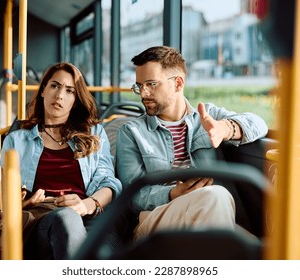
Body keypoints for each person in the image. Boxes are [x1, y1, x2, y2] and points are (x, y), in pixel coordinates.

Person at [115, 46, 268, 242]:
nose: (143, 93)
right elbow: (133, 196)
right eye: (139, 86)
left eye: (151, 84)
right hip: (155, 218)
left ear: (178, 84)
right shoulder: (131, 132)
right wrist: (173, 193)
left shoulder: (208, 116)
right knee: (214, 197)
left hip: (210, 212)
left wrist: (225, 129)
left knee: (272, 255)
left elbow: (258, 123)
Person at [0, 62, 122, 259]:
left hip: (90, 216)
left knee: (103, 254)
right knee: (66, 218)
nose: (59, 96)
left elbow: (109, 182)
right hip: (41, 220)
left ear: (75, 100)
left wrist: (87, 204)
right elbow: (7, 202)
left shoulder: (94, 134)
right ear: (43, 91)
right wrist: (27, 202)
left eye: (69, 91)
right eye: (54, 86)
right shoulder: (17, 140)